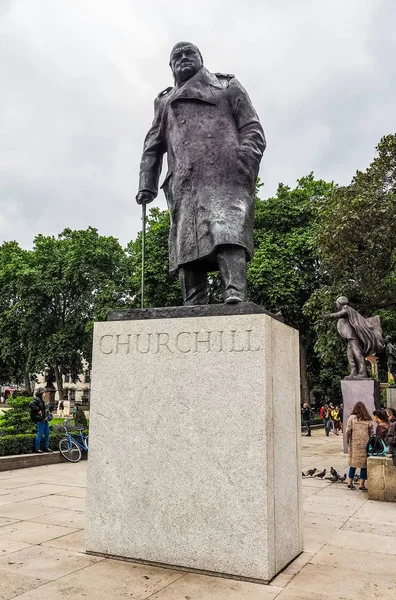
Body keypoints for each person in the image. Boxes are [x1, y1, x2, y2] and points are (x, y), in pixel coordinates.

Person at [136, 42, 266, 305]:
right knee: (187, 245)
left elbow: (253, 129)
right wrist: (146, 184)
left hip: (226, 177)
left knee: (227, 231)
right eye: (177, 57)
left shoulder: (227, 86)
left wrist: (243, 165)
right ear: (171, 66)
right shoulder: (164, 101)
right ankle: (193, 301)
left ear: (201, 58)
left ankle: (234, 291)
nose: (184, 58)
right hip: (185, 183)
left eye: (189, 53)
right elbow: (153, 146)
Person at [323, 297, 383, 379]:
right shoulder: (348, 310)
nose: (336, 304)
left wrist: (329, 315)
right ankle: (354, 371)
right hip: (350, 337)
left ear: (340, 303)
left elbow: (339, 314)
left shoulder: (347, 309)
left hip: (353, 337)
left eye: (336, 303)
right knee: (350, 355)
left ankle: (363, 372)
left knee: (357, 353)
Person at [346, 401, 374, 491]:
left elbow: (347, 431)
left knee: (353, 464)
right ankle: (361, 485)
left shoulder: (352, 418)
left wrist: (348, 441)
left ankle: (350, 482)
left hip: (354, 444)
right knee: (363, 465)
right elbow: (371, 432)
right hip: (365, 444)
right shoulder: (368, 419)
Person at [29, 387, 53, 453]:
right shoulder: (37, 399)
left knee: (47, 433)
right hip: (40, 419)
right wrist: (38, 410)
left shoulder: (43, 400)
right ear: (41, 393)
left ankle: (46, 447)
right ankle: (37, 448)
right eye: (44, 392)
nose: (45, 393)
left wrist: (49, 415)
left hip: (45, 419)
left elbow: (46, 409)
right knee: (40, 434)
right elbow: (31, 405)